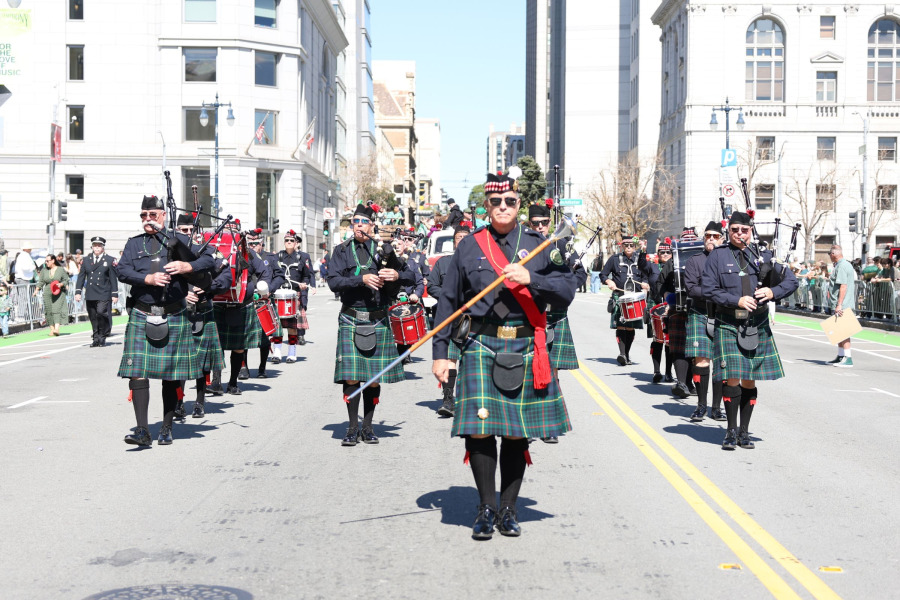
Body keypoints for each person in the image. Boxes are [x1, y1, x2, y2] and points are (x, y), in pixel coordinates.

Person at [432, 171, 575, 540]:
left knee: (516, 434)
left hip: (526, 344)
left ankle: (509, 510)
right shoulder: (469, 245)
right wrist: (440, 353)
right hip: (480, 343)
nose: (503, 208)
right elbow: (448, 301)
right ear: (486, 206)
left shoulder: (539, 244)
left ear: (520, 205)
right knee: (480, 431)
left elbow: (567, 290)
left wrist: (533, 280)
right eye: (496, 202)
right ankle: (485, 508)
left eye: (510, 201)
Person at [115, 195, 216, 446]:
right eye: (143, 215)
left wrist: (185, 267)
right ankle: (142, 430)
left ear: (162, 215)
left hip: (173, 312)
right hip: (142, 312)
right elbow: (122, 270)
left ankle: (166, 427)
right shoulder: (133, 244)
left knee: (171, 374)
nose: (147, 220)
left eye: (152, 215)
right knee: (137, 373)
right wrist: (147, 280)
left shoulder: (178, 240)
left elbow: (209, 260)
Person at [702, 211, 798, 450]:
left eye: (743, 230)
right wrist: (737, 300)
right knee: (731, 377)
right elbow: (708, 289)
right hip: (729, 321)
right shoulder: (718, 256)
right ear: (729, 231)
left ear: (750, 230)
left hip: (756, 324)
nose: (739, 234)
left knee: (749, 378)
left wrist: (772, 292)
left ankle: (744, 432)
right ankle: (730, 431)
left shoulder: (763, 256)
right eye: (734, 229)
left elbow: (791, 282)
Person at [328, 202, 416, 446]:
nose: (358, 226)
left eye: (363, 222)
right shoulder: (341, 250)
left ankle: (367, 427)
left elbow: (411, 276)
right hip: (351, 316)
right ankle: (352, 427)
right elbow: (333, 282)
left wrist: (396, 275)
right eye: (355, 222)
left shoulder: (383, 252)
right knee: (352, 378)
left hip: (378, 317)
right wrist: (361, 279)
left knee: (373, 378)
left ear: (372, 225)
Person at [527, 203, 584, 443]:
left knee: (553, 373)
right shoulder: (523, 244)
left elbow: (580, 276)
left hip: (556, 315)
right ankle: (528, 425)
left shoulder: (563, 245)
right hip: (529, 314)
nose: (540, 227)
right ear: (529, 224)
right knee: (528, 371)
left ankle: (549, 424)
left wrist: (567, 280)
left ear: (550, 223)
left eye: (544, 223)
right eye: (535, 223)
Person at [214, 228, 275, 394]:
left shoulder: (248, 254)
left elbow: (264, 273)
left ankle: (233, 383)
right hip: (218, 304)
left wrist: (260, 289)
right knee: (216, 346)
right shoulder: (214, 250)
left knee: (239, 346)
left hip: (241, 305)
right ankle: (216, 382)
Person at [427, 223, 471, 418]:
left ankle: (471, 399)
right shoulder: (443, 263)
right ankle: (448, 399)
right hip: (449, 316)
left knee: (471, 359)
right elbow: (433, 286)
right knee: (450, 358)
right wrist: (449, 296)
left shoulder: (478, 263)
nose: (461, 241)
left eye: (465, 238)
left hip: (473, 317)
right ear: (453, 242)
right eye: (458, 238)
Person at [683, 221, 726, 422]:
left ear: (722, 239)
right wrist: (717, 294)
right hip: (700, 312)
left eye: (715, 236)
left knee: (722, 362)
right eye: (708, 235)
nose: (711, 239)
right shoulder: (695, 261)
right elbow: (691, 288)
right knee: (701, 360)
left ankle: (716, 408)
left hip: (725, 315)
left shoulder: (729, 260)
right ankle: (701, 406)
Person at [600, 235, 652, 366]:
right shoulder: (614, 259)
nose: (629, 247)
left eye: (631, 245)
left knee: (630, 328)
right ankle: (622, 354)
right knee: (621, 325)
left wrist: (645, 284)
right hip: (619, 295)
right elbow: (603, 274)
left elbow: (646, 275)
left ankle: (626, 354)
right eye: (626, 245)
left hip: (635, 297)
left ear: (635, 246)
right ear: (622, 246)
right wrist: (608, 281)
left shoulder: (640, 260)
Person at [272, 230, 308, 364]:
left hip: (294, 295)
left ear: (295, 243)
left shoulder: (301, 258)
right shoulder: (277, 256)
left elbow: (306, 275)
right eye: (287, 240)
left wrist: (305, 284)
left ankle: (292, 352)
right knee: (277, 326)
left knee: (292, 327)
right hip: (279, 294)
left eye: (291, 241)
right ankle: (277, 351)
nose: (289, 243)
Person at [75, 236, 119, 347]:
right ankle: (95, 338)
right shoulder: (86, 260)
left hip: (104, 292)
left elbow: (113, 278)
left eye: (99, 246)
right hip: (90, 292)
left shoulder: (109, 260)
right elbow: (81, 277)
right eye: (95, 246)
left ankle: (102, 336)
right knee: (93, 316)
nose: (97, 248)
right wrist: (78, 292)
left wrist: (114, 294)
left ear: (103, 247)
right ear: (92, 247)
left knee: (101, 312)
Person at [826, 245, 856, 367]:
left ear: (834, 254)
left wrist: (839, 304)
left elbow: (843, 286)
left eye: (830, 254)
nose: (830, 257)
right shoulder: (841, 265)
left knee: (844, 331)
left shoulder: (842, 266)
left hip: (843, 304)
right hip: (840, 303)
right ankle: (840, 355)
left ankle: (848, 357)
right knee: (839, 331)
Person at [648, 238, 673, 384]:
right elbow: (641, 267)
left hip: (670, 306)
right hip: (655, 305)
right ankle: (656, 371)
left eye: (668, 252)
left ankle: (668, 372)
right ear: (658, 253)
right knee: (657, 340)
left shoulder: (675, 266)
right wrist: (642, 250)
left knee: (669, 342)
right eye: (662, 252)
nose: (665, 254)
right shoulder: (652, 267)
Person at [34, 254, 69, 336]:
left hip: (58, 292)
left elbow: (66, 279)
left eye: (48, 261)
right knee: (48, 310)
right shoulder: (44, 270)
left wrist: (61, 284)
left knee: (56, 309)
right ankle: (52, 329)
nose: (46, 262)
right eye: (45, 261)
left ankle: (57, 328)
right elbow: (41, 282)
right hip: (47, 292)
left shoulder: (60, 269)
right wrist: (36, 290)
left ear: (53, 260)